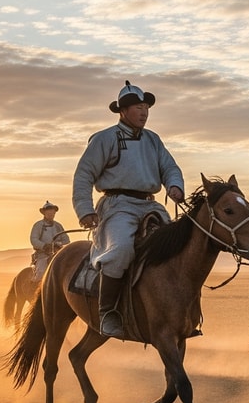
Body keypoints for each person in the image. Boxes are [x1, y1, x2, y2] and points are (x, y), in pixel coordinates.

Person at [72, 80, 185, 337]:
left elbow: (169, 167)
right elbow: (83, 176)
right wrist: (85, 210)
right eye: (137, 107)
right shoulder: (104, 139)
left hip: (150, 204)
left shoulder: (153, 140)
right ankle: (108, 311)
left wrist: (174, 186)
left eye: (146, 107)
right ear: (123, 111)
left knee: (179, 246)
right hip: (117, 205)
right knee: (121, 249)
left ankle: (180, 311)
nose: (144, 112)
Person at [29, 201, 67, 280]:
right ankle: (37, 289)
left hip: (58, 254)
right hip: (43, 255)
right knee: (41, 273)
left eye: (52, 213)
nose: (51, 214)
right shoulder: (38, 225)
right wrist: (44, 246)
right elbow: (34, 239)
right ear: (44, 213)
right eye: (49, 212)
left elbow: (66, 240)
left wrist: (58, 245)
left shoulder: (58, 226)